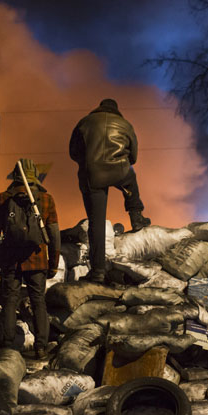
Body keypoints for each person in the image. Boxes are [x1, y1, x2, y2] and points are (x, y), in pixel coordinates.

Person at [0, 158, 60, 359]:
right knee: (38, 301)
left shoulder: (3, 198)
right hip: (37, 259)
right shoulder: (46, 199)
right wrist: (53, 263)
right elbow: (54, 235)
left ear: (15, 176)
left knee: (10, 301)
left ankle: (8, 346)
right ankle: (41, 347)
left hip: (10, 259)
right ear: (35, 175)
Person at [69, 98, 150, 283]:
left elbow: (73, 152)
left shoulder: (84, 122)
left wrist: (88, 161)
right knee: (131, 177)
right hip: (119, 171)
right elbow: (134, 156)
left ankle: (97, 271)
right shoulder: (125, 124)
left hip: (92, 176)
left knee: (96, 224)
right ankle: (136, 216)